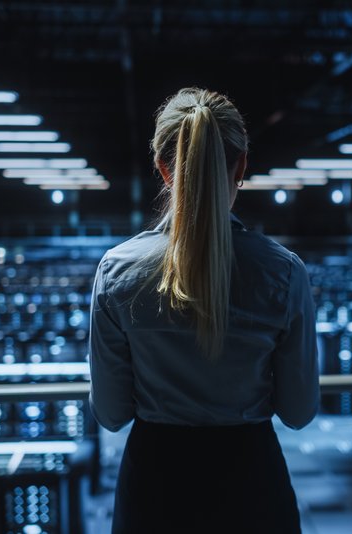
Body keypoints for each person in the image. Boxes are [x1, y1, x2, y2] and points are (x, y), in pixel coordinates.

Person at [88, 87, 319, 533]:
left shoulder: (117, 272)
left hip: (155, 492)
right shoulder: (283, 273)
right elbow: (298, 411)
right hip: (251, 490)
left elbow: (112, 414)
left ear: (162, 169)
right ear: (242, 167)